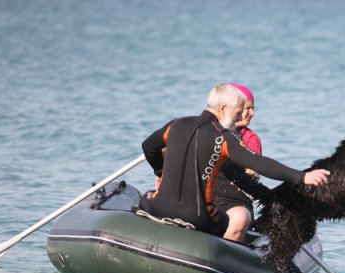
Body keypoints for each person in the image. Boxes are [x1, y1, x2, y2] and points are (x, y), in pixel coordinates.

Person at [140, 83, 330, 239]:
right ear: (223, 108)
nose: (240, 118)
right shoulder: (223, 137)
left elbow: (149, 146)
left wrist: (159, 171)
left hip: (158, 209)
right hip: (198, 219)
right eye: (238, 112)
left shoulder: (176, 124)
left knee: (145, 196)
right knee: (231, 221)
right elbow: (258, 163)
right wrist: (301, 176)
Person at [214, 83, 262, 241]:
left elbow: (253, 175)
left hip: (236, 202)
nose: (252, 113)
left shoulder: (251, 139)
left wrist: (252, 172)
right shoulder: (209, 131)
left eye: (252, 108)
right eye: (247, 108)